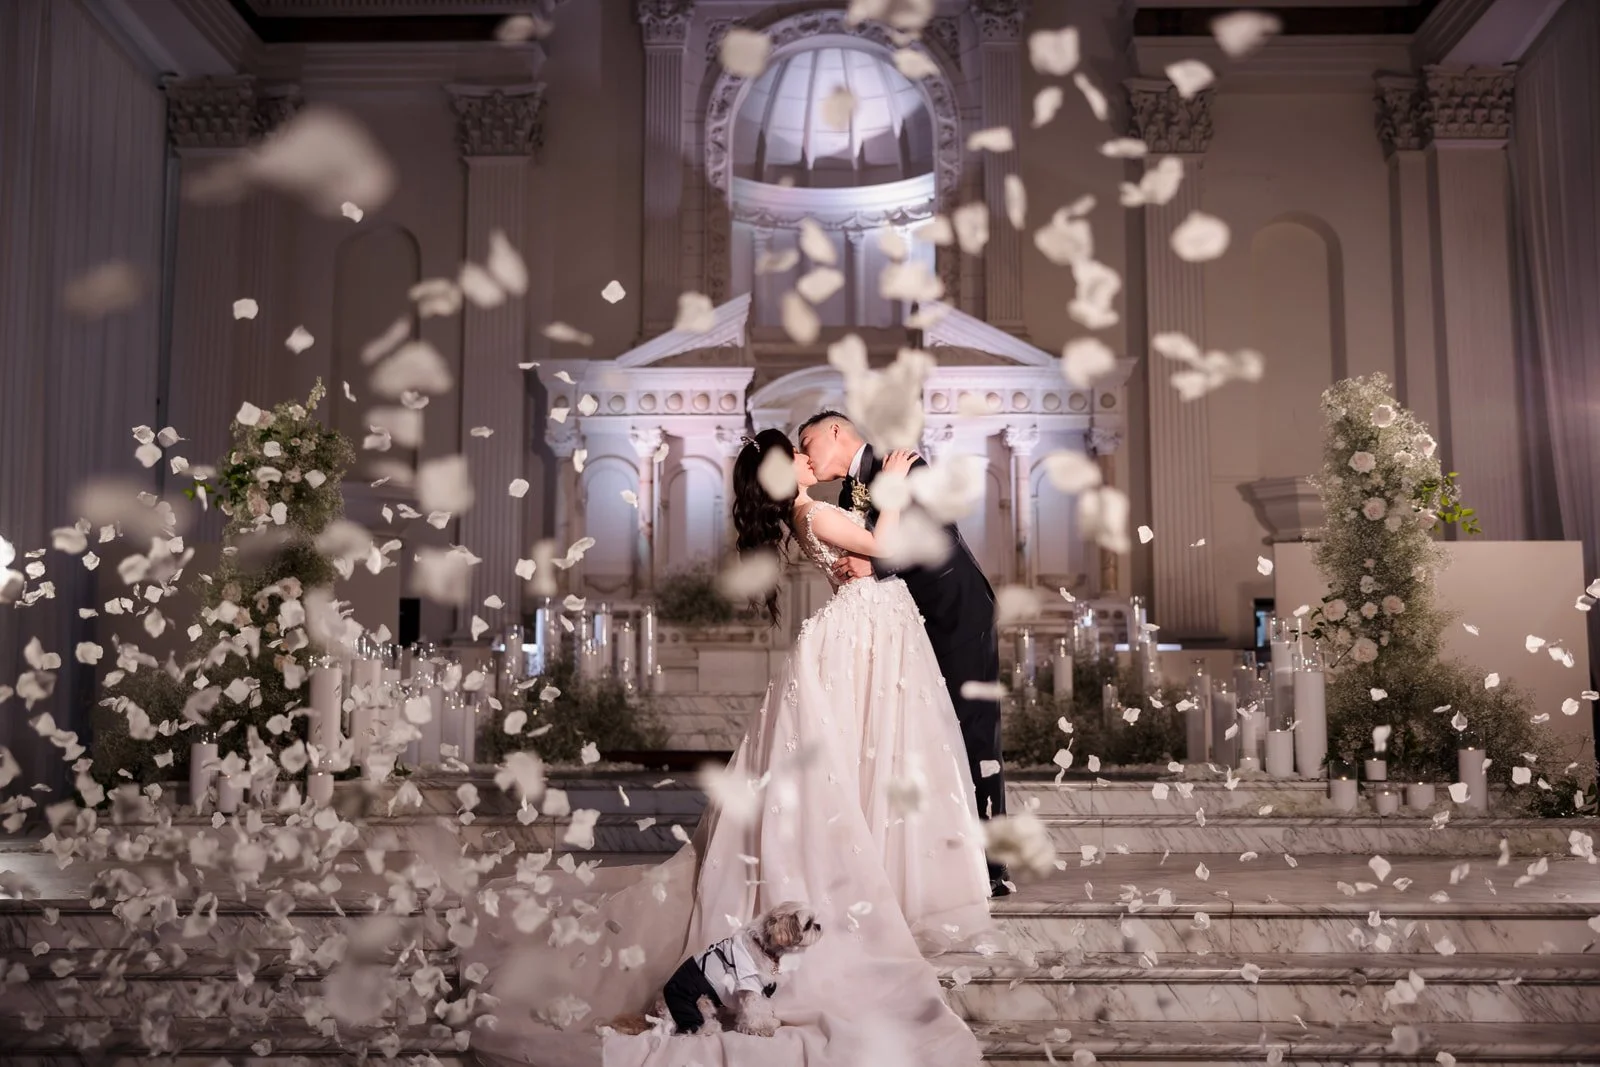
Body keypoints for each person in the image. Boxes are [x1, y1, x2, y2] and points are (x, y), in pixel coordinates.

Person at [462, 428, 996, 1067]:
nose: (806, 457)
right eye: (796, 453)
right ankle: (864, 881)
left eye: (807, 447)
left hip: (864, 634)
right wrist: (893, 489)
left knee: (856, 762)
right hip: (857, 638)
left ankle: (875, 869)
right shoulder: (815, 510)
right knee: (846, 764)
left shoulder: (812, 514)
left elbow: (866, 556)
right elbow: (882, 545)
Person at [796, 411, 1011, 897]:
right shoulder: (854, 487)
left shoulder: (902, 467)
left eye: (807, 440)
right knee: (930, 736)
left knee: (972, 730)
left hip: (956, 615)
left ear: (836, 431)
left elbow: (935, 537)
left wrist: (874, 562)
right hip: (910, 626)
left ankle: (993, 865)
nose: (805, 453)